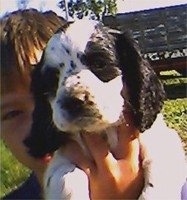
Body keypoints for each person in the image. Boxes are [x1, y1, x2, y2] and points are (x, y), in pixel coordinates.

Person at [1, 9, 187, 200]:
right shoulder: (65, 160)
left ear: (131, 72)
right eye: (55, 79)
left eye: (99, 65)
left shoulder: (153, 138)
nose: (75, 95)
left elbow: (168, 159)